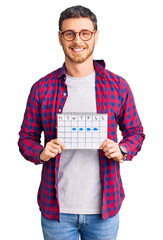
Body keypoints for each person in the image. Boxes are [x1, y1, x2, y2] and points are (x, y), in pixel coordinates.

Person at [18, 5, 145, 240]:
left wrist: (122, 149)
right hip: (56, 211)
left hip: (104, 211)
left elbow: (136, 132)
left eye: (85, 33)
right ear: (60, 38)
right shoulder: (41, 88)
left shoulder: (118, 86)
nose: (78, 40)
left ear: (95, 35)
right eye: (70, 33)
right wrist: (41, 152)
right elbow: (25, 138)